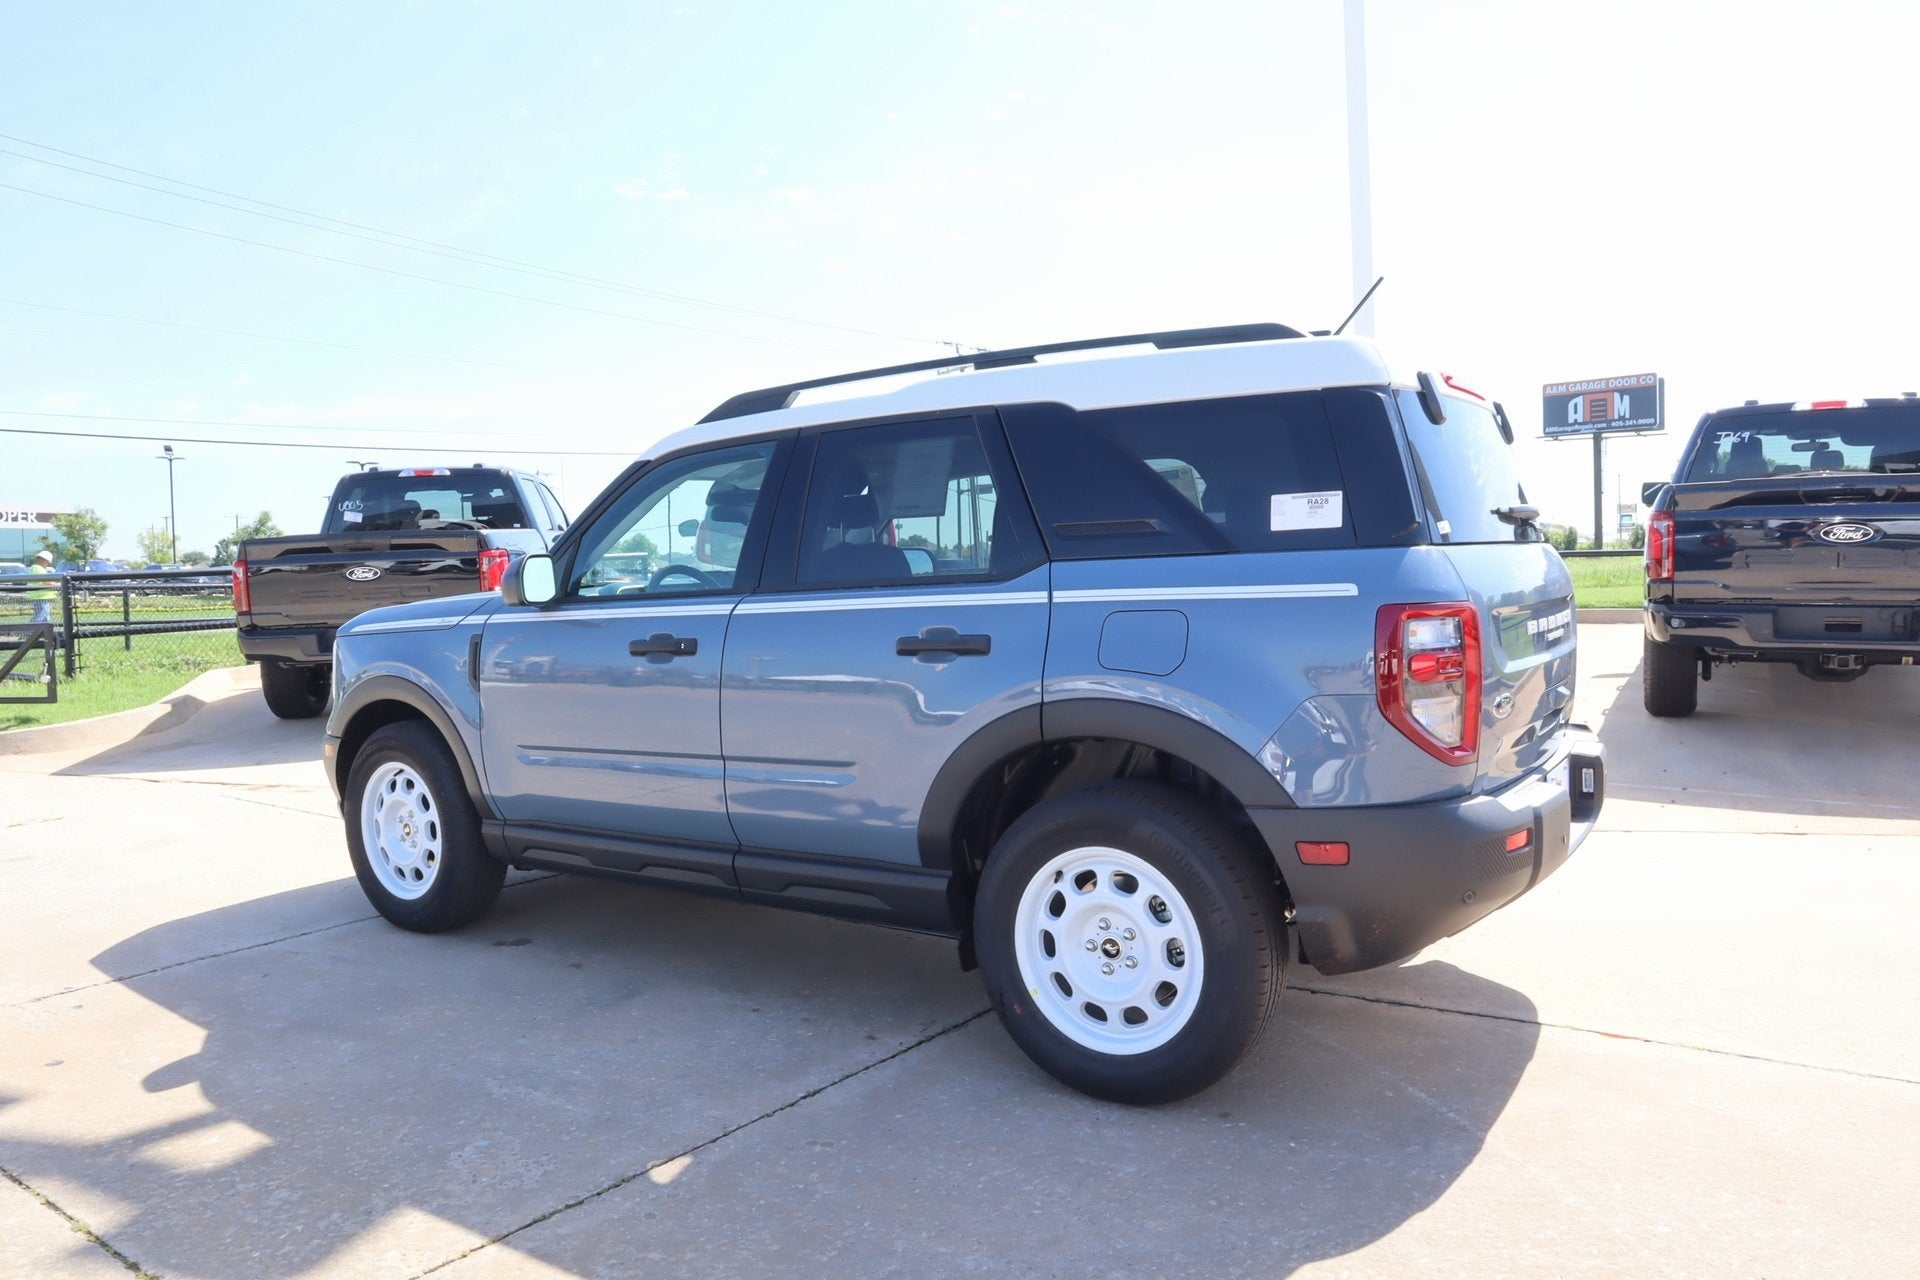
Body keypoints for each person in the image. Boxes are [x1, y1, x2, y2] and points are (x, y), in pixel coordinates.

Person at [25, 548, 56, 626]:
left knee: (44, 616)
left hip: (40, 596)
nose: (48, 563)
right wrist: (59, 585)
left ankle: (43, 633)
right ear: (44, 560)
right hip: (40, 597)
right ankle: (27, 632)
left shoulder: (37, 568)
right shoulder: (37, 568)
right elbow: (46, 581)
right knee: (41, 615)